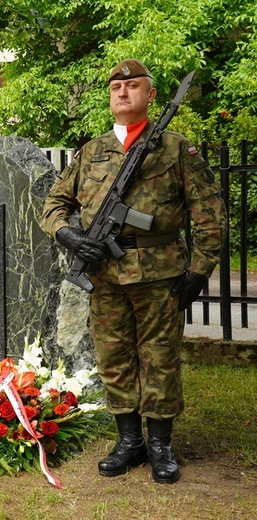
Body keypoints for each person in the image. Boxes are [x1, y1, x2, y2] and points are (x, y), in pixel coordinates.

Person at [41, 59, 226, 484]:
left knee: (160, 360)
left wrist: (199, 270)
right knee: (113, 358)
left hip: (160, 274)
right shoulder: (90, 151)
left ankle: (161, 444)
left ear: (150, 95)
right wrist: (69, 236)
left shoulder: (177, 149)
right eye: (116, 87)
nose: (122, 92)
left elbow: (209, 215)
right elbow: (54, 205)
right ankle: (129, 441)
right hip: (104, 275)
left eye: (133, 85)